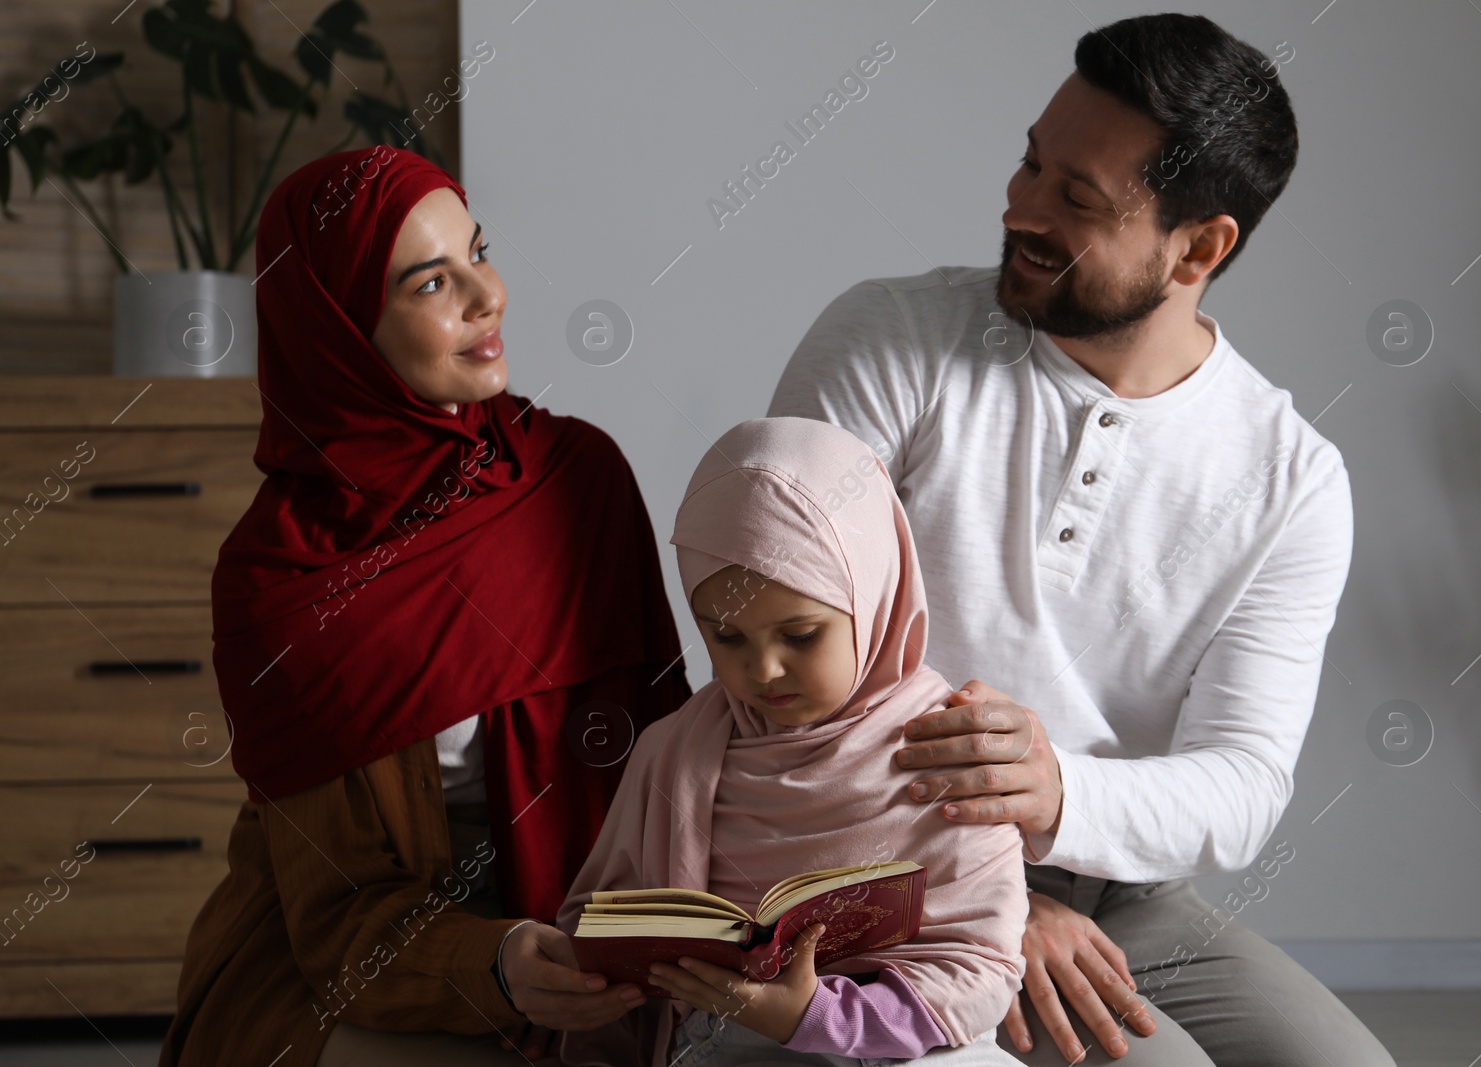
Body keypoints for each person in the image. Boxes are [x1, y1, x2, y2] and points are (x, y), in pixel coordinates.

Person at [767, 13, 1397, 1067]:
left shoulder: (1290, 477)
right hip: (873, 860)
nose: (1019, 208)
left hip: (1122, 890)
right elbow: (774, 672)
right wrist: (987, 889)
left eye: (1077, 198)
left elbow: (1240, 783)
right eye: (1029, 161)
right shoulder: (888, 344)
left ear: (1199, 248)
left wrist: (1059, 791)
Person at [159, 145, 692, 1067]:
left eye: (479, 253)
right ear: (337, 332)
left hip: (587, 935)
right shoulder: (280, 584)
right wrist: (493, 959)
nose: (489, 297)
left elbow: (668, 755)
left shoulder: (576, 481)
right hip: (349, 959)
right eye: (431, 282)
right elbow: (335, 919)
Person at [555, 417, 1030, 1067]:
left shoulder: (950, 745)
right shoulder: (675, 751)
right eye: (726, 637)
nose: (764, 670)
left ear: (873, 596)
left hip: (921, 1046)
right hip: (737, 1045)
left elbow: (984, 965)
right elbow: (598, 924)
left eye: (801, 634)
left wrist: (821, 1016)